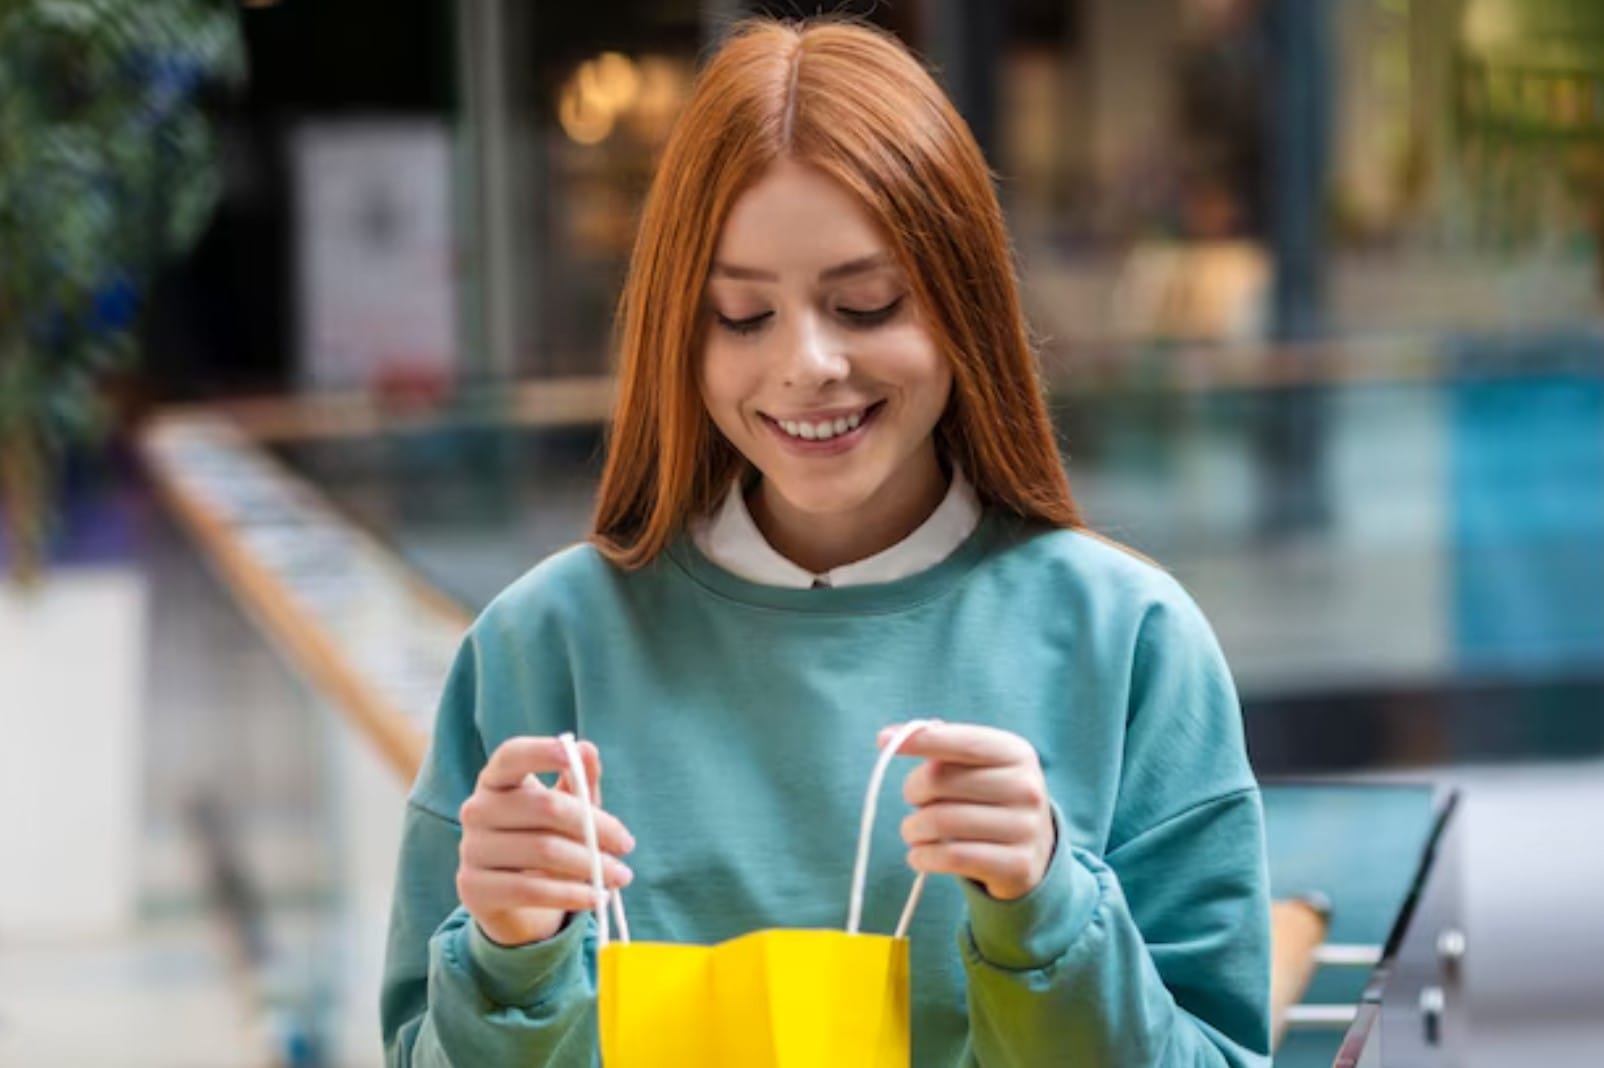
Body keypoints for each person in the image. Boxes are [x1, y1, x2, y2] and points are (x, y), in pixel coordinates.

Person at [381, 17, 1270, 1067]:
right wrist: (505, 961)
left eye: (866, 304)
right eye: (742, 316)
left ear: (963, 306)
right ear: (679, 332)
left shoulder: (1130, 645)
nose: (806, 365)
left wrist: (1046, 912)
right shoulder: (536, 651)